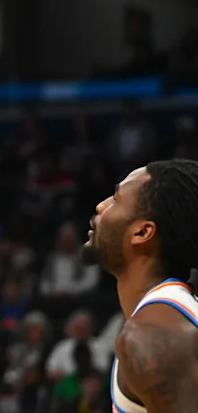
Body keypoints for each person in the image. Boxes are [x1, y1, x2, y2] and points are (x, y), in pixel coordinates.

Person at [82, 159, 198, 412]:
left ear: (142, 233)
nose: (101, 206)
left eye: (116, 199)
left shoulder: (148, 335)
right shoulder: (169, 316)